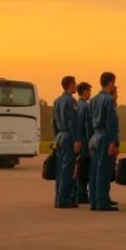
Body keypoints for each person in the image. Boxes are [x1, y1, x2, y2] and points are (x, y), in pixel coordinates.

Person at [89, 72, 120, 212]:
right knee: (104, 170)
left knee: (95, 169)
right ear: (110, 83)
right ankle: (102, 201)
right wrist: (114, 142)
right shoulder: (109, 100)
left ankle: (95, 200)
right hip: (105, 137)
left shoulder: (94, 99)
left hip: (95, 136)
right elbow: (111, 122)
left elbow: (89, 120)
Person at [52, 76, 79, 209]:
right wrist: (77, 139)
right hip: (69, 135)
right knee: (68, 169)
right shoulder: (71, 101)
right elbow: (73, 122)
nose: (76, 86)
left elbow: (54, 122)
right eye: (75, 84)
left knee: (60, 169)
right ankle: (64, 199)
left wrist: (56, 137)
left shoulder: (57, 101)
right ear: (70, 85)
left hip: (60, 135)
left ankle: (58, 197)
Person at [73, 82, 93, 204]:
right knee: (84, 168)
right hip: (84, 141)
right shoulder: (85, 106)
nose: (90, 93)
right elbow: (85, 125)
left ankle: (79, 193)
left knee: (78, 167)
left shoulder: (76, 105)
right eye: (89, 91)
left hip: (77, 139)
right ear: (85, 91)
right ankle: (82, 194)